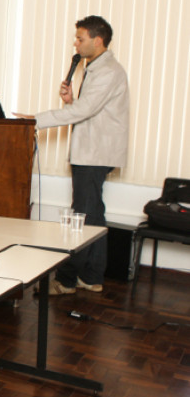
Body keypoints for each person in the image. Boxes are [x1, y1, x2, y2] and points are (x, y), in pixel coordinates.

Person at [27, 15, 129, 295]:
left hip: (95, 153)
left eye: (80, 38)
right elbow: (90, 109)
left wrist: (33, 120)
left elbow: (85, 112)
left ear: (97, 40)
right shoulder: (96, 67)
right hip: (93, 151)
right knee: (93, 214)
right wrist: (71, 101)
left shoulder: (107, 71)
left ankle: (67, 280)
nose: (76, 43)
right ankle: (92, 277)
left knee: (81, 217)